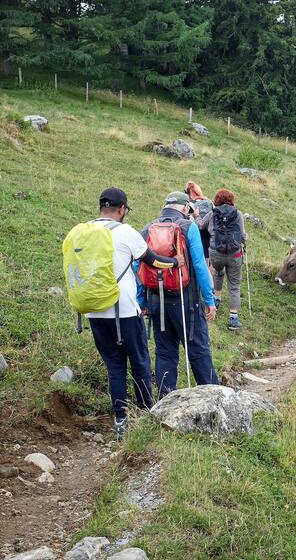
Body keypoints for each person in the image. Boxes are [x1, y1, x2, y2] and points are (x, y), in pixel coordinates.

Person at [83, 187, 181, 437]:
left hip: (94, 310)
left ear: (101, 207)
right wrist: (176, 262)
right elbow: (153, 261)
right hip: (125, 310)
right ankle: (146, 412)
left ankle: (120, 421)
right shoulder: (125, 232)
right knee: (139, 362)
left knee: (114, 367)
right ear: (122, 209)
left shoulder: (85, 231)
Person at [141, 191, 219, 396]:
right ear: (186, 208)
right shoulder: (188, 227)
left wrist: (143, 301)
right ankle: (214, 397)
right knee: (198, 350)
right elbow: (201, 267)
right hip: (187, 301)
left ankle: (165, 399)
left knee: (164, 352)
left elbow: (137, 267)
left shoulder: (148, 228)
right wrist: (210, 299)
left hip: (156, 300)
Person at [198, 188, 247, 331]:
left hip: (216, 254)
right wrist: (245, 239)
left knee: (218, 273)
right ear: (232, 200)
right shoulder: (238, 214)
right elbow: (242, 236)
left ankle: (216, 299)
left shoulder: (212, 213)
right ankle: (233, 318)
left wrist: (195, 215)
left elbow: (201, 225)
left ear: (217, 200)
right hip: (235, 255)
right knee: (234, 286)